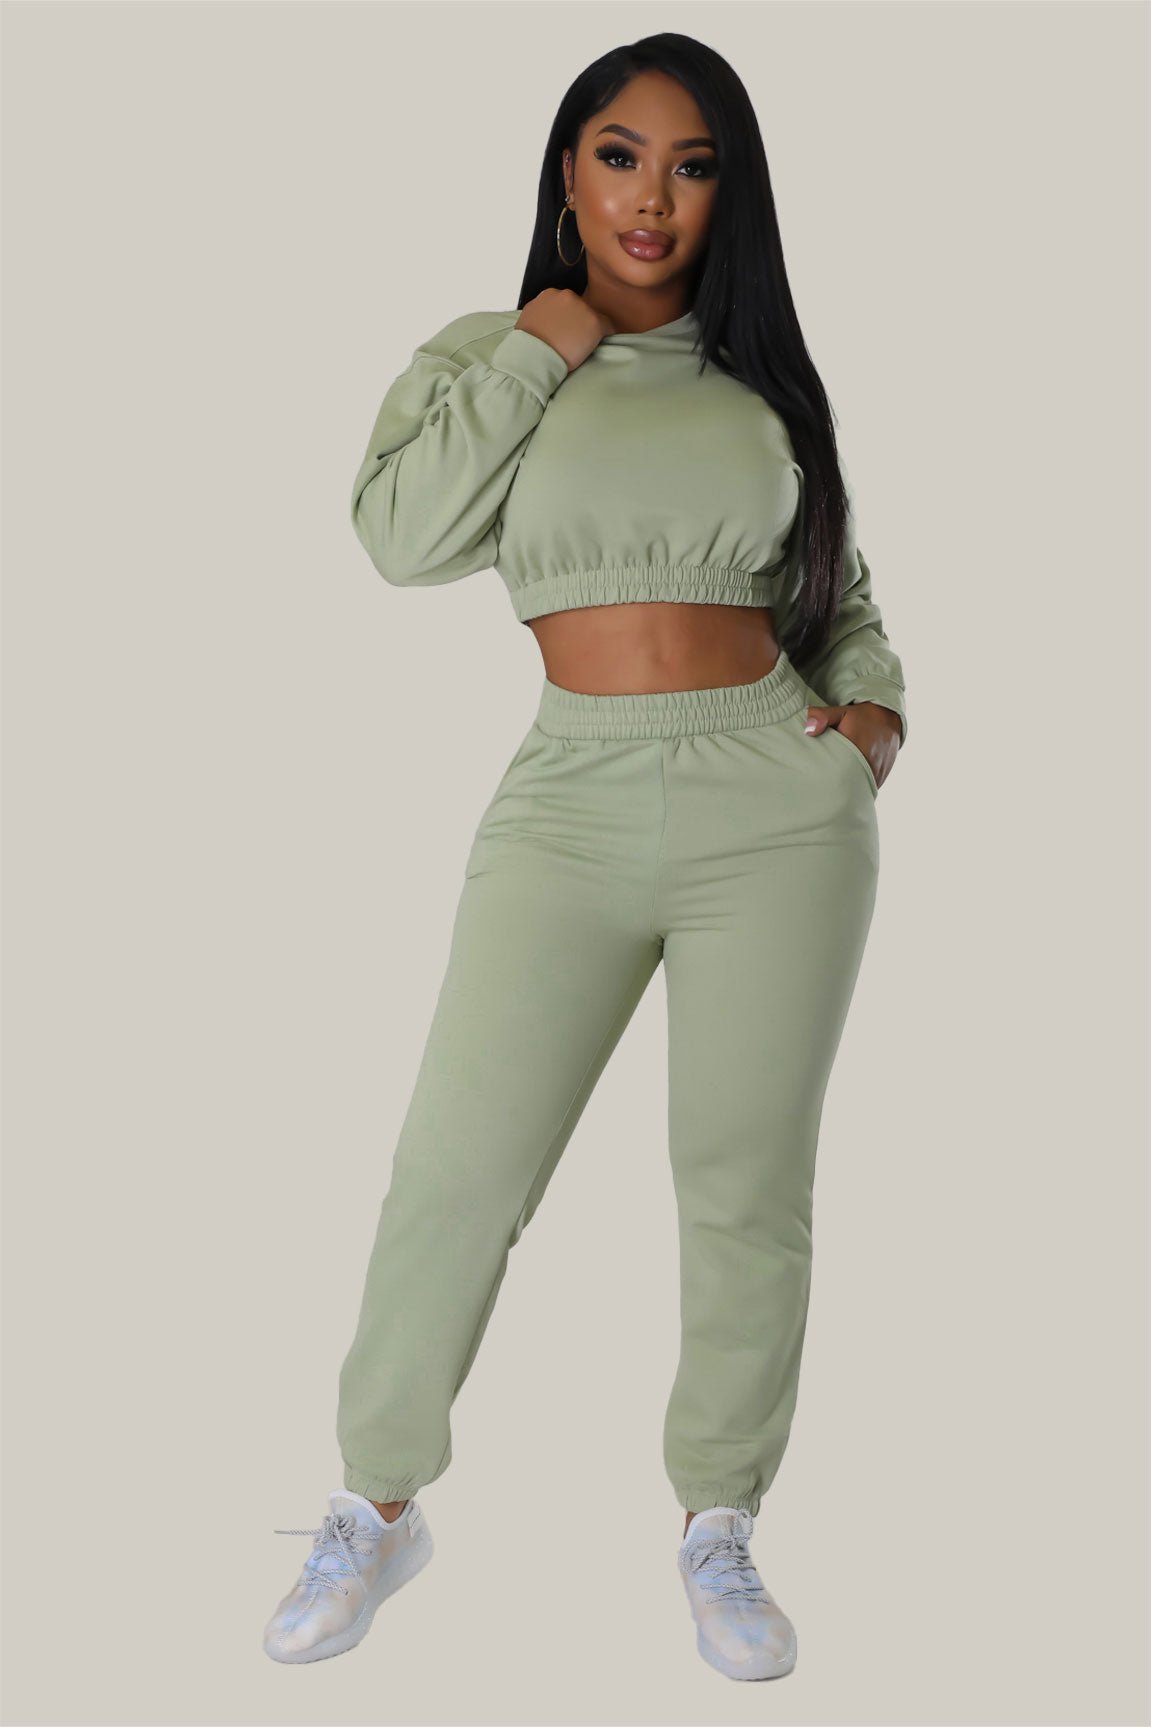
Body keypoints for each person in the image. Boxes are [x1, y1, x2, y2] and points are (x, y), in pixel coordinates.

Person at [263, 32, 907, 1683]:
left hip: (777, 808)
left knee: (742, 1185)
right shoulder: (489, 354)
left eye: (692, 167)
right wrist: (542, 346)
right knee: (457, 1169)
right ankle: (375, 1502)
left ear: (728, 194)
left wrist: (871, 722)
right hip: (568, 795)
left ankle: (720, 1523)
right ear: (568, 172)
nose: (652, 198)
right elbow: (400, 536)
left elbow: (834, 594)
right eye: (620, 156)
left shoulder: (761, 385)